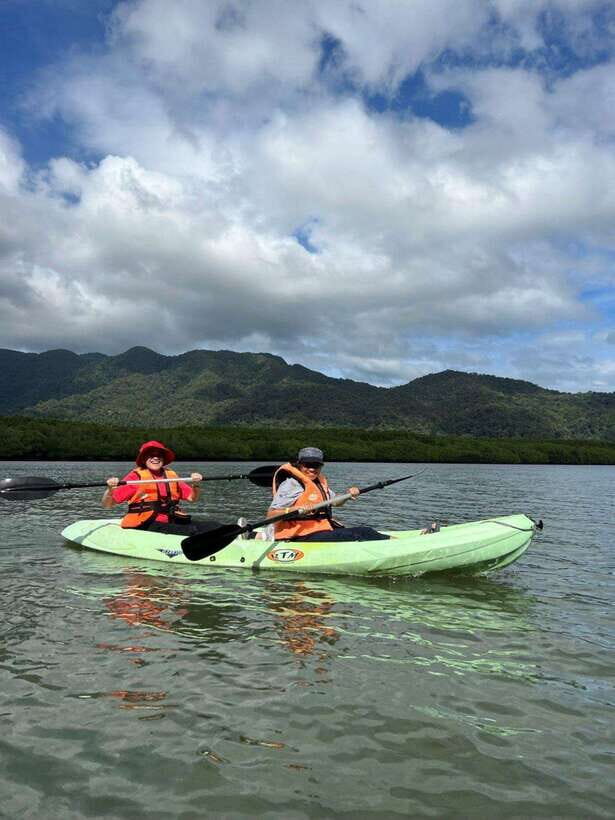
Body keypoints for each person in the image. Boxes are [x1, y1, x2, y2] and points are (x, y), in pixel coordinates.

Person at [268, 447, 390, 542]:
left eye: (316, 465)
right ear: (299, 465)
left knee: (366, 531)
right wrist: (293, 509)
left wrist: (347, 495)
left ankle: (394, 542)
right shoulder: (291, 484)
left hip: (319, 531)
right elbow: (271, 515)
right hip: (298, 535)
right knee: (357, 534)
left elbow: (335, 502)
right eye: (307, 465)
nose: (312, 469)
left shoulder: (318, 482)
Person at [103, 439, 218, 535]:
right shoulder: (135, 477)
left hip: (171, 520)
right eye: (151, 455)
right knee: (192, 531)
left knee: (214, 526)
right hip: (145, 523)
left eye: (159, 455)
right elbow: (108, 504)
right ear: (144, 458)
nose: (156, 458)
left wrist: (195, 484)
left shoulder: (171, 475)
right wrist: (110, 489)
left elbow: (192, 498)